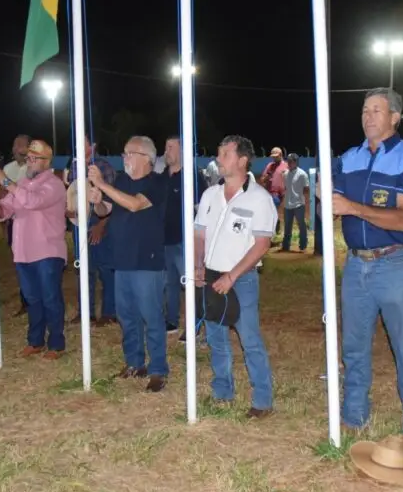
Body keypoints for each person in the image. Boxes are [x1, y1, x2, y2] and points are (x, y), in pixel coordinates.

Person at [332, 88, 403, 449]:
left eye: (377, 110)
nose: (368, 116)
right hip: (356, 264)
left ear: (395, 118)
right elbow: (332, 202)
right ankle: (354, 414)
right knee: (354, 347)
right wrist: (324, 201)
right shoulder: (347, 158)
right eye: (364, 110)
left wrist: (352, 207)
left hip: (394, 263)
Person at [194, 135, 277, 418]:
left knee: (249, 339)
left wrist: (232, 275)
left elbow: (262, 244)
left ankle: (263, 400)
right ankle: (222, 392)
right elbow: (199, 234)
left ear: (242, 160)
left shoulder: (260, 199)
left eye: (225, 154)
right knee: (216, 337)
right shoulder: (209, 195)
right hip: (211, 275)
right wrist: (197, 266)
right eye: (219, 153)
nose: (219, 159)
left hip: (241, 280)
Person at [87, 135, 169, 392]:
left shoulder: (157, 182)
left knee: (151, 316)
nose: (125, 158)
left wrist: (102, 184)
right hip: (122, 260)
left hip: (147, 261)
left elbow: (134, 205)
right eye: (124, 153)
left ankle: (158, 369)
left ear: (146, 158)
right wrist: (97, 199)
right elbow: (106, 211)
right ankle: (134, 362)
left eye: (129, 153)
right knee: (127, 316)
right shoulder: (121, 180)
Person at [0, 140, 68, 359]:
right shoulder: (23, 183)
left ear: (46, 162)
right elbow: (8, 208)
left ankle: (56, 343)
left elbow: (32, 202)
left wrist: (6, 182)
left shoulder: (53, 184)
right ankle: (35, 340)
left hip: (47, 251)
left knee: (50, 297)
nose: (29, 161)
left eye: (34, 158)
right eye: (28, 157)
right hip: (23, 251)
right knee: (32, 298)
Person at [64, 140, 117, 326]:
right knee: (83, 269)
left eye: (83, 141)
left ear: (93, 145)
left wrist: (102, 224)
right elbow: (71, 193)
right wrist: (69, 211)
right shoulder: (74, 165)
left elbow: (111, 199)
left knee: (104, 268)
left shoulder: (103, 166)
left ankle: (110, 313)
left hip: (98, 221)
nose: (77, 144)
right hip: (79, 221)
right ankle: (86, 313)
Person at [161, 136, 203, 333]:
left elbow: (201, 210)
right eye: (166, 147)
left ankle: (193, 324)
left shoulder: (192, 177)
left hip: (185, 240)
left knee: (191, 283)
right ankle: (172, 320)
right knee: (170, 283)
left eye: (171, 147)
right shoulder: (162, 176)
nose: (166, 151)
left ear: (182, 151)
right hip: (164, 239)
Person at [3, 135, 31, 317]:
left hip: (32, 222)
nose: (17, 149)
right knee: (20, 262)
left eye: (21, 145)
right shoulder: (7, 168)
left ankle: (36, 300)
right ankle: (25, 301)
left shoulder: (34, 167)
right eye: (15, 145)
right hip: (14, 222)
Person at [280, 153, 309, 252]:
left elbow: (306, 189)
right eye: (288, 161)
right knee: (287, 226)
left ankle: (303, 245)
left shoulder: (302, 174)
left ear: (296, 162)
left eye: (291, 161)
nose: (288, 163)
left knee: (301, 225)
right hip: (287, 204)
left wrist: (299, 196)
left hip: (299, 204)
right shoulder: (285, 174)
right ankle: (285, 246)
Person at [260, 146, 288, 236]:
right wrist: (267, 177)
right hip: (269, 193)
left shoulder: (286, 166)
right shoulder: (269, 166)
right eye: (273, 156)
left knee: (272, 211)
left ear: (280, 155)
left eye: (276, 156)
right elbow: (262, 179)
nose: (274, 158)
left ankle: (273, 229)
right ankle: (274, 228)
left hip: (280, 194)